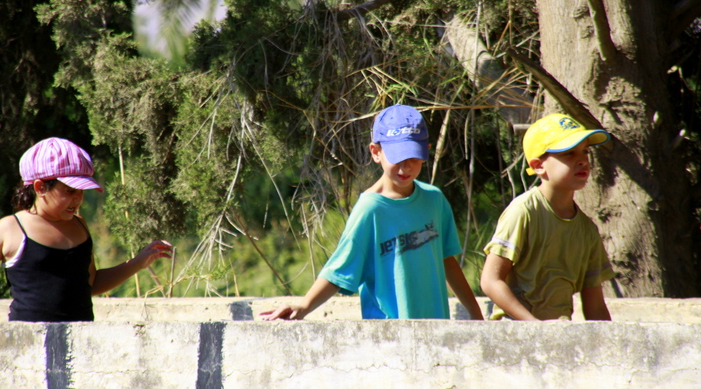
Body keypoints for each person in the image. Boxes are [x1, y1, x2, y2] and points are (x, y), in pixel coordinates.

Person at [0, 137, 173, 324]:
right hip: (27, 342)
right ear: (41, 187)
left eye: (81, 192)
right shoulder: (10, 229)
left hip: (81, 340)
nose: (78, 199)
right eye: (69, 191)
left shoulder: (79, 226)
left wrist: (139, 261)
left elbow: (89, 284)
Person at [261, 105, 484, 321]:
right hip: (388, 335)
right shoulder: (369, 210)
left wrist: (475, 313)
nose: (405, 167)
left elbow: (447, 261)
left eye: (413, 157)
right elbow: (338, 270)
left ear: (426, 151)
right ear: (376, 152)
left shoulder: (435, 200)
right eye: (397, 157)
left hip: (436, 328)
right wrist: (303, 306)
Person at [480, 113, 615, 321]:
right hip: (513, 335)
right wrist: (534, 327)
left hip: (557, 338)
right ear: (538, 166)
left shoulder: (587, 230)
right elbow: (490, 281)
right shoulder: (523, 211)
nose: (582, 160)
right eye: (569, 153)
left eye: (585, 152)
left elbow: (595, 306)